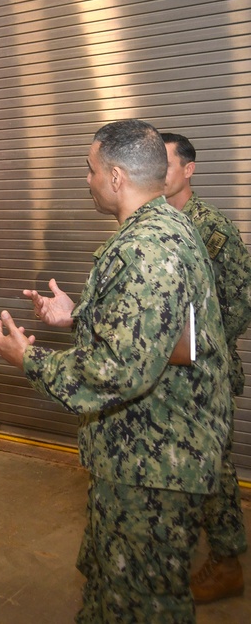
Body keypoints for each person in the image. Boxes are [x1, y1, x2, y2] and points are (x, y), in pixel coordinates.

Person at [0, 119, 231, 622]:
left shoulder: (146, 250)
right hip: (147, 453)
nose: (87, 179)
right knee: (112, 593)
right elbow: (170, 337)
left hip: (155, 463)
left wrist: (28, 359)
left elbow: (119, 370)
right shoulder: (167, 227)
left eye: (91, 169)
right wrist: (77, 315)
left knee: (143, 605)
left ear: (116, 177)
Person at [162, 132, 251, 603]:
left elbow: (241, 299)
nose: (157, 170)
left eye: (167, 163)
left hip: (202, 374)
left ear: (189, 170)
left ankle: (226, 561)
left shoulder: (209, 227)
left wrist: (201, 349)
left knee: (212, 467)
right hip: (162, 375)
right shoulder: (151, 222)